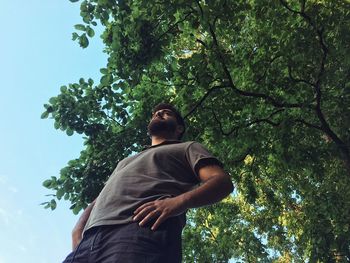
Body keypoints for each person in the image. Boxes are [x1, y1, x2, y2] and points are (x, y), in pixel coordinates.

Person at [62, 103, 233, 263]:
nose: (159, 113)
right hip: (88, 242)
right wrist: (78, 230)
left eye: (167, 113)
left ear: (179, 128)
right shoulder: (124, 161)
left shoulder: (187, 148)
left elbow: (221, 181)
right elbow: (99, 198)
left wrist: (178, 202)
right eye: (155, 113)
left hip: (141, 231)